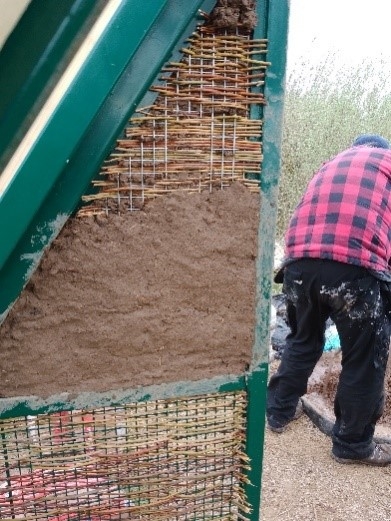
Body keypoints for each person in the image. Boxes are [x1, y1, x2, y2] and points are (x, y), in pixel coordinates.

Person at [267, 134, 391, 466]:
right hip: (351, 270)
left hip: (298, 266)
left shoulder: (331, 164)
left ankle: (278, 410)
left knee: (303, 338)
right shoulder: (388, 166)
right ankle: (352, 445)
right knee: (364, 358)